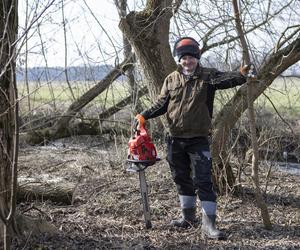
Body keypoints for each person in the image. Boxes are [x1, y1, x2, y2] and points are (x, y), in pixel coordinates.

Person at [134, 37, 252, 239]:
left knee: (203, 180)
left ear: (197, 58)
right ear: (179, 59)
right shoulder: (171, 79)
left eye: (191, 57)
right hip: (175, 139)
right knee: (181, 178)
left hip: (198, 139)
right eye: (184, 58)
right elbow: (161, 104)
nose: (187, 61)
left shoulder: (208, 76)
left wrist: (241, 75)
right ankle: (188, 218)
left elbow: (227, 79)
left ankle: (209, 225)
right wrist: (144, 115)